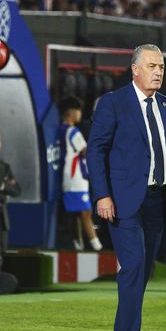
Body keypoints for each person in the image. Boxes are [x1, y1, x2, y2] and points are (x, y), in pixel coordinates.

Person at [87, 44, 166, 331]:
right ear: (135, 69)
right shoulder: (113, 103)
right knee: (133, 265)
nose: (158, 72)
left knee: (142, 271)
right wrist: (102, 194)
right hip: (123, 201)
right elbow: (96, 150)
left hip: (158, 201)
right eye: (151, 66)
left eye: (161, 67)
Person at [58, 96, 102, 251]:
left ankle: (78, 246)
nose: (80, 113)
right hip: (76, 178)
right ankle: (97, 248)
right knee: (85, 213)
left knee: (75, 214)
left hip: (69, 177)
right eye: (78, 110)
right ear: (70, 112)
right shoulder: (72, 131)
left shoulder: (60, 130)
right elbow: (86, 152)